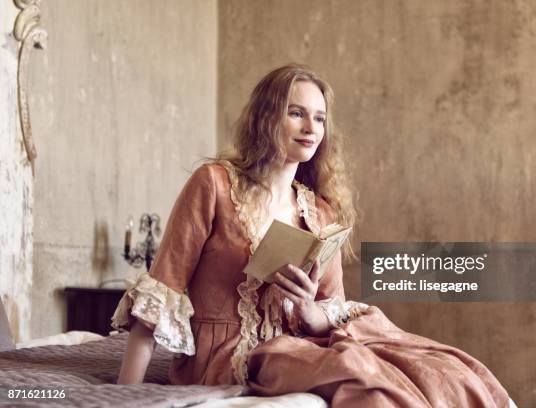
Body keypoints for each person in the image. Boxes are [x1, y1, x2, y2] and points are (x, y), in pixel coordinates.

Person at [112, 64, 510, 407]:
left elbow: (330, 310)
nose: (311, 128)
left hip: (295, 346)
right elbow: (160, 292)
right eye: (297, 113)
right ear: (266, 118)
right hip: (227, 357)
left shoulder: (319, 212)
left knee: (439, 367)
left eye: (319, 118)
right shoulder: (214, 184)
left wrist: (307, 309)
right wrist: (124, 395)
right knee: (356, 369)